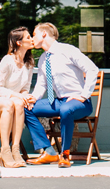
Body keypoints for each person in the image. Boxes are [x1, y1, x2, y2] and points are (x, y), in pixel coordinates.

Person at [24, 22, 99, 168]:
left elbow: (92, 69)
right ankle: (48, 151)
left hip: (79, 103)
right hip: (58, 102)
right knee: (26, 108)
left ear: (44, 34)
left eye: (34, 34)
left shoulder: (68, 50)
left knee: (66, 109)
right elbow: (41, 85)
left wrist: (84, 95)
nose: (32, 38)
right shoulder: (43, 59)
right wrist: (33, 98)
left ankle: (65, 155)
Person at [0, 27, 35, 168]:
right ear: (18, 43)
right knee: (10, 104)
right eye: (28, 37)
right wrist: (18, 96)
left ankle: (15, 149)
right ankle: (4, 150)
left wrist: (25, 97)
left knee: (19, 104)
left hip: (12, 100)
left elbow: (25, 87)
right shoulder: (7, 61)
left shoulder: (29, 62)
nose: (32, 39)